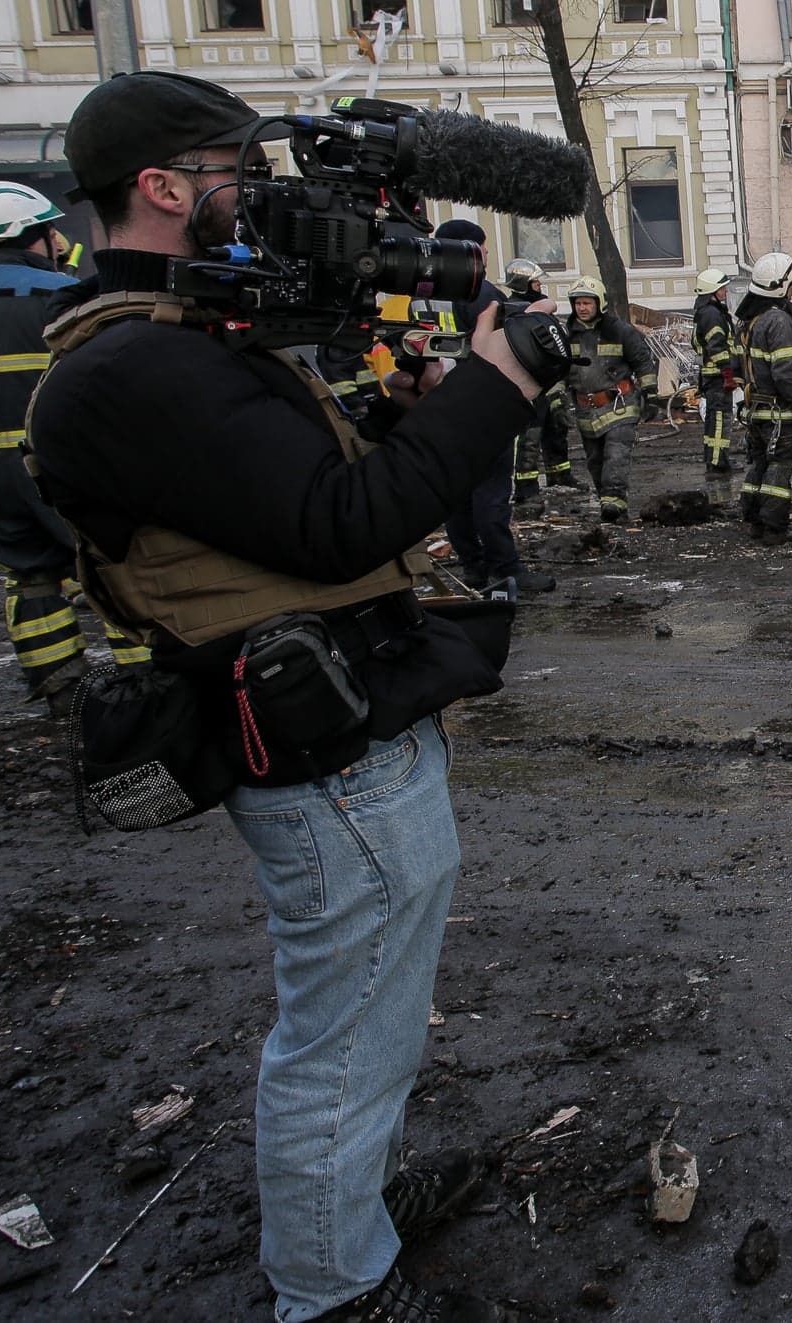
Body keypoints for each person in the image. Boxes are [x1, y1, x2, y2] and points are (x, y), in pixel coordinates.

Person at [29, 69, 551, 1323]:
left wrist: (401, 412)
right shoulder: (129, 369)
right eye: (234, 171)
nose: (256, 195)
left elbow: (278, 489)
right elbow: (335, 527)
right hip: (321, 766)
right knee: (341, 1041)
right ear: (162, 188)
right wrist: (494, 387)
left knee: (373, 1025)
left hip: (351, 733)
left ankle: (350, 1212)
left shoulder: (184, 342)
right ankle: (333, 1289)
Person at [0, 179, 147, 701]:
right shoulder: (55, 296)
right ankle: (145, 679)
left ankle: (56, 681)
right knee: (116, 572)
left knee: (29, 576)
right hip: (55, 463)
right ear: (35, 235)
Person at [423, 220, 548, 601]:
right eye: (483, 249)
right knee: (491, 494)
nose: (487, 256)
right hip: (481, 405)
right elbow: (514, 341)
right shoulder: (480, 294)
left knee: (455, 496)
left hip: (436, 408)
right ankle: (506, 568)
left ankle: (473, 566)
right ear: (468, 250)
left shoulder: (419, 293)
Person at [561, 275, 655, 522]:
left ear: (599, 303)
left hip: (620, 406)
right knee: (594, 461)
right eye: (578, 303)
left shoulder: (620, 331)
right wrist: (556, 403)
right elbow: (558, 372)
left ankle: (614, 504)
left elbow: (643, 362)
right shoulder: (566, 336)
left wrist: (651, 396)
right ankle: (607, 500)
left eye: (587, 303)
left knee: (616, 455)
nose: (582, 308)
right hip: (586, 411)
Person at [733, 252, 792, 543]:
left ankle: (754, 522)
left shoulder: (751, 321)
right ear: (779, 286)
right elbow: (786, 373)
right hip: (778, 413)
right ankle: (774, 529)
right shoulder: (778, 320)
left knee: (758, 465)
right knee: (779, 468)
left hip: (756, 411)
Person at [502, 258, 577, 506]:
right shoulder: (513, 309)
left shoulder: (538, 307)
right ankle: (526, 486)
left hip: (550, 380)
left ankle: (560, 475)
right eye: (535, 281)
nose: (539, 285)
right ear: (523, 283)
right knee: (529, 436)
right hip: (529, 382)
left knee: (557, 427)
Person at [691, 268, 736, 482]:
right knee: (720, 419)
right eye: (722, 288)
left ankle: (713, 458)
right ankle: (718, 463)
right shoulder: (712, 314)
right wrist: (728, 373)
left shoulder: (706, 312)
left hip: (711, 377)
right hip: (718, 378)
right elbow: (717, 346)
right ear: (712, 291)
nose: (725, 291)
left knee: (712, 420)